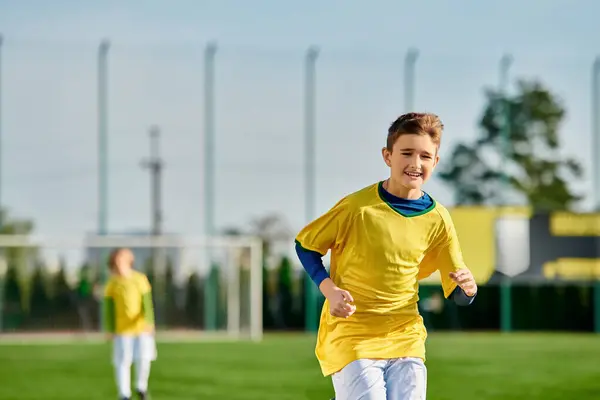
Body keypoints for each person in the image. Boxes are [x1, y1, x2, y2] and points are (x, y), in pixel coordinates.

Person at [295, 112, 478, 400]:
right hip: (351, 333)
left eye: (425, 156)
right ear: (388, 156)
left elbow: (458, 291)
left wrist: (468, 288)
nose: (415, 164)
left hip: (406, 334)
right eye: (406, 153)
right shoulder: (357, 208)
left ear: (436, 162)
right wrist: (329, 290)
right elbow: (306, 246)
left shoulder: (439, 219)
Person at [103, 248, 156, 400]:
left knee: (144, 358)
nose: (119, 264)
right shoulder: (112, 284)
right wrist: (109, 328)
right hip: (122, 330)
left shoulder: (140, 279)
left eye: (121, 260)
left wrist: (149, 321)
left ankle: (141, 387)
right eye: (116, 261)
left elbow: (147, 302)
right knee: (122, 361)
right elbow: (108, 308)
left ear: (129, 261)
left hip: (141, 328)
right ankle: (124, 394)